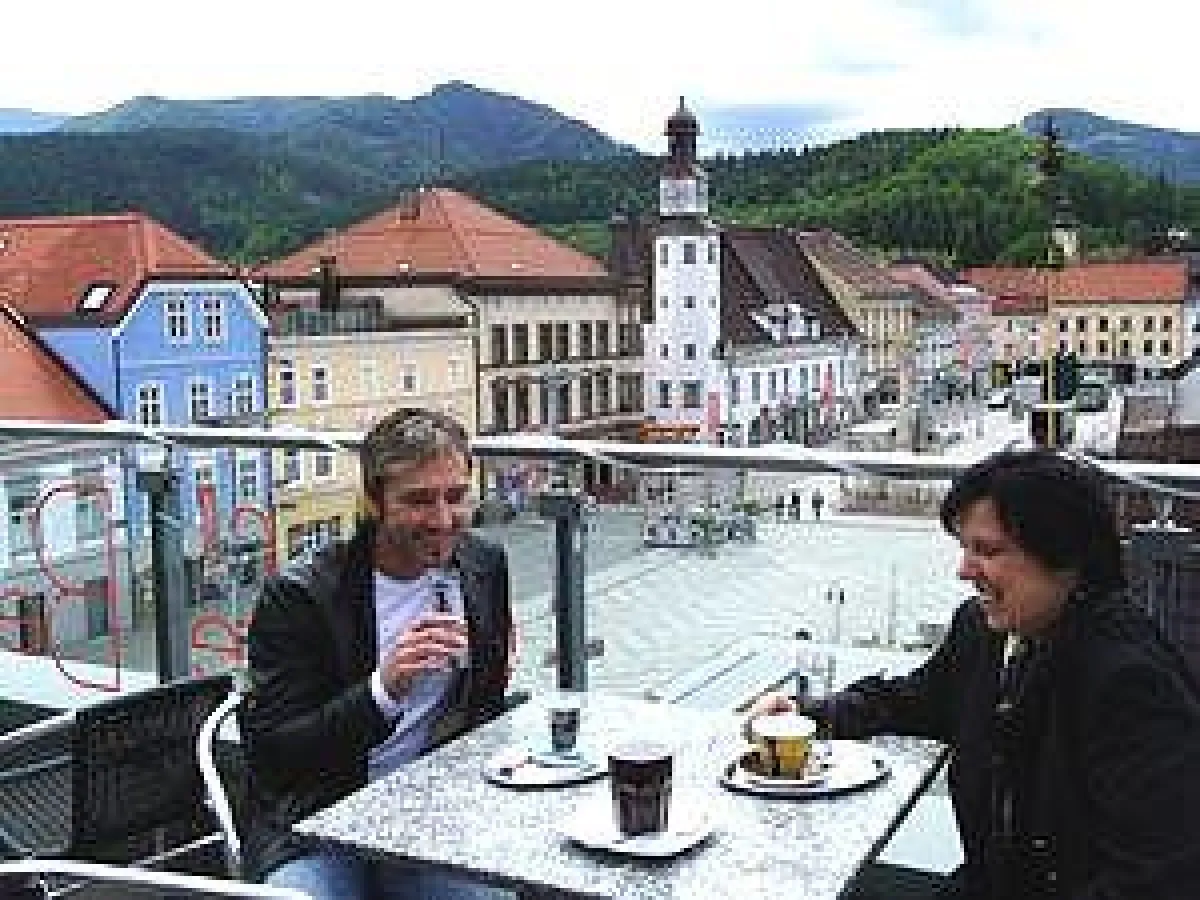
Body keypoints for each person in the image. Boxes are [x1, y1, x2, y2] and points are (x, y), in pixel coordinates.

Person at [749, 449, 1200, 899]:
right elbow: (921, 699)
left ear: (1064, 555)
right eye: (965, 549)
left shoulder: (1129, 684)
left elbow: (1161, 877)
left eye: (986, 550)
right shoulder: (989, 631)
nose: (964, 571)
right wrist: (808, 717)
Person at [241, 408, 515, 899]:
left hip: (429, 816)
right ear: (374, 502)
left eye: (456, 497)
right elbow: (276, 757)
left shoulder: (481, 565)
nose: (443, 520)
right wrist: (382, 690)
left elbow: (485, 711)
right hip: (317, 822)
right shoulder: (300, 595)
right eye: (418, 501)